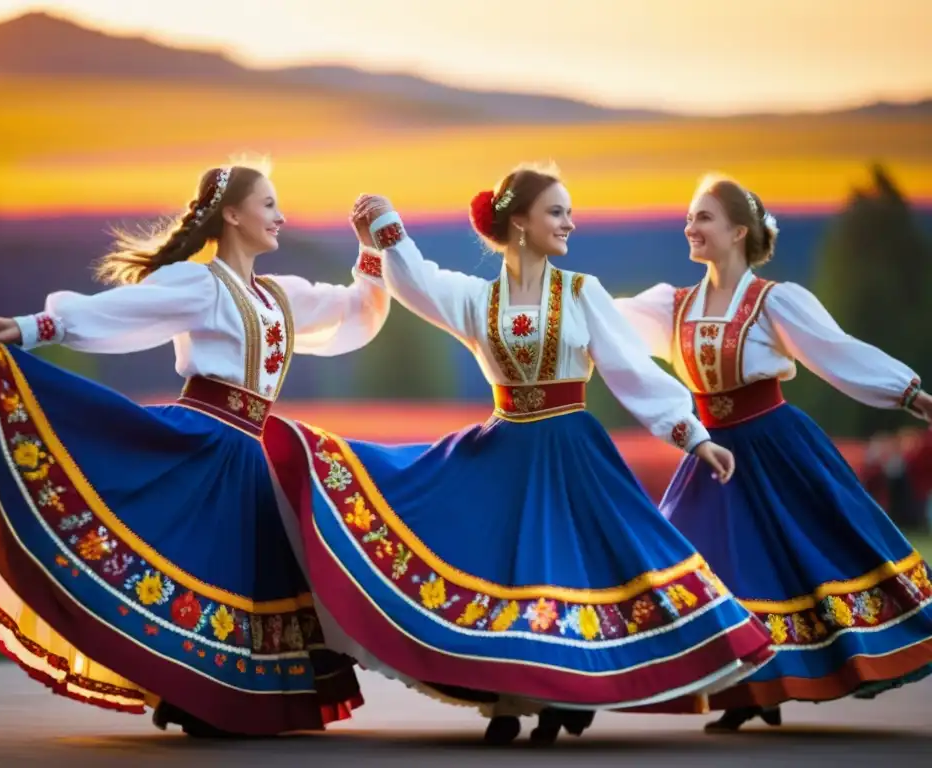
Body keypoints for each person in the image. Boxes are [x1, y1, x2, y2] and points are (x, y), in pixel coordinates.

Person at [262, 165, 775, 746]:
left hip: (570, 453)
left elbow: (631, 369)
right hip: (505, 449)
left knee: (565, 574)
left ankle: (561, 693)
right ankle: (510, 698)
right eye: (556, 211)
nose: (568, 223)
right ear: (521, 222)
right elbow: (420, 282)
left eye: (569, 212)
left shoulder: (582, 293)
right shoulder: (480, 299)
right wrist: (385, 228)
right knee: (509, 577)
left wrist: (692, 433)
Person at [0, 163, 391, 737]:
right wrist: (30, 327)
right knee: (201, 569)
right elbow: (115, 313)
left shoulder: (281, 297)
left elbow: (356, 313)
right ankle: (197, 696)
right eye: (267, 204)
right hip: (202, 444)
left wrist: (370, 249)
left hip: (251, 454)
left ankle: (218, 698)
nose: (280, 216)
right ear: (232, 215)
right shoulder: (200, 284)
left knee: (241, 578)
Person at [613, 173, 932, 732]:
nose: (691, 226)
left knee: (790, 562)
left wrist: (911, 394)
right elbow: (603, 319)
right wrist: (551, 302)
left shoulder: (771, 302)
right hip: (711, 455)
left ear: (738, 231)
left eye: (703, 217)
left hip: (775, 446)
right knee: (699, 565)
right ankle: (746, 688)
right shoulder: (672, 306)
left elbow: (837, 353)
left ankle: (765, 687)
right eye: (689, 217)